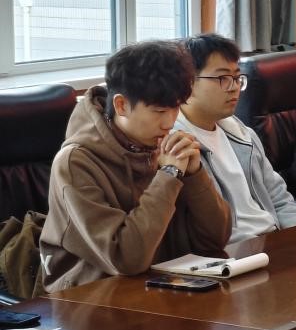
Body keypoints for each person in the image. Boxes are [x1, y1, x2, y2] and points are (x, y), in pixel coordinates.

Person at [39, 41, 232, 292]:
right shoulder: (76, 163)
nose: (169, 122)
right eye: (159, 111)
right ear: (121, 105)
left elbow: (216, 240)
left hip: (166, 284)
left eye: (176, 108)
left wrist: (195, 175)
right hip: (92, 295)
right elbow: (126, 259)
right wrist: (168, 175)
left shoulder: (161, 147)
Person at [176, 33, 296, 242]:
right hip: (233, 251)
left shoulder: (243, 134)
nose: (234, 88)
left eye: (237, 78)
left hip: (272, 242)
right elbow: (202, 229)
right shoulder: (177, 146)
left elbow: (280, 199)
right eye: (222, 78)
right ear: (188, 84)